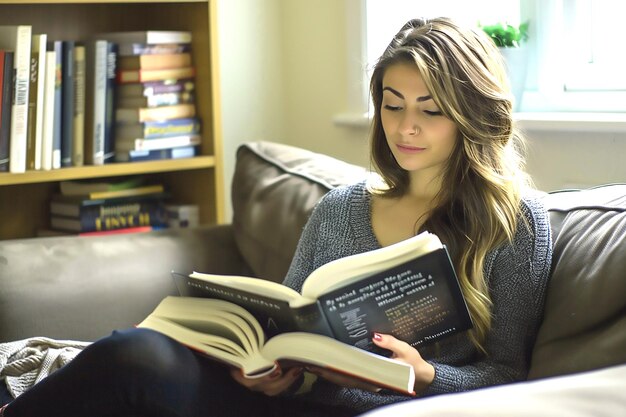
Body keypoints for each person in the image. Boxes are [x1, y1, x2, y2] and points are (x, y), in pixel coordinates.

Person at [0, 17, 552, 417]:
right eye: (391, 103)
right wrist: (271, 373)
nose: (406, 126)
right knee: (136, 352)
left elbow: (509, 376)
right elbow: (286, 332)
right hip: (285, 408)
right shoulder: (341, 209)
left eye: (430, 110)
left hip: (388, 410)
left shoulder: (515, 224)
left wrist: (427, 375)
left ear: (471, 114)